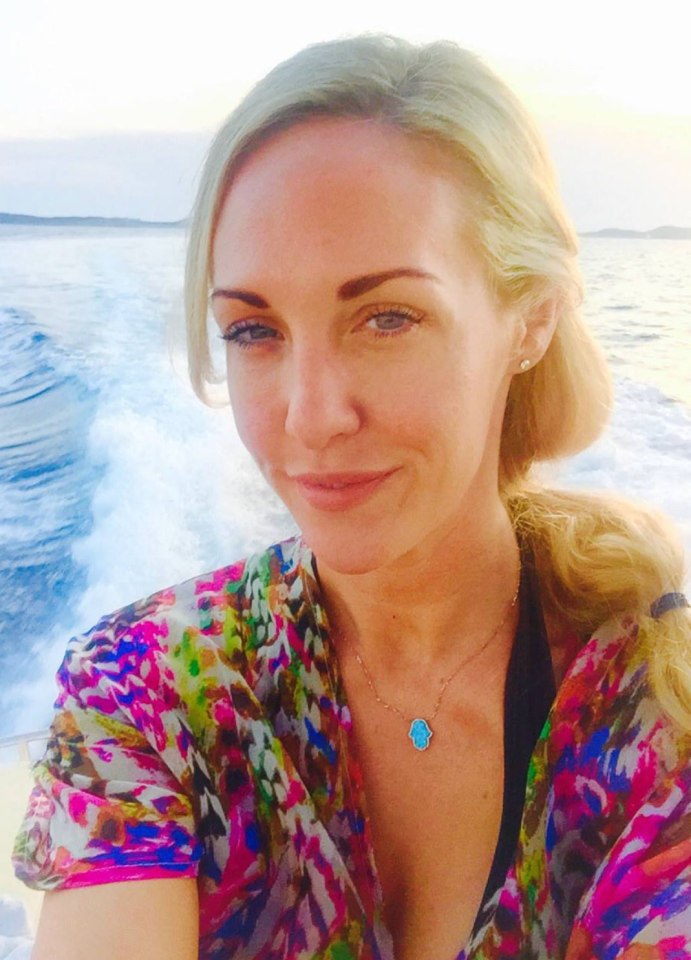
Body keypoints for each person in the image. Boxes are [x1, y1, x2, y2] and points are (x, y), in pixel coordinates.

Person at [11, 34, 691, 960]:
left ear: (530, 317)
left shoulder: (658, 719)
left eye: (387, 317)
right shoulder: (151, 690)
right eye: (254, 330)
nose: (311, 414)